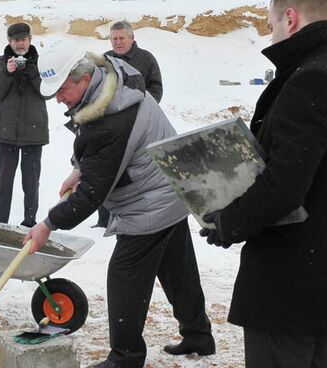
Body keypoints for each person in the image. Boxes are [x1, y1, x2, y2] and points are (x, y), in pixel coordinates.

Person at [25, 39, 214, 368]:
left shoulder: (111, 120)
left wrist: (47, 225)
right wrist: (79, 168)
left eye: (62, 89)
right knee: (177, 268)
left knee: (124, 275)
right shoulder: (112, 75)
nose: (57, 99)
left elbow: (92, 194)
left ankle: (125, 357)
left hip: (149, 203)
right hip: (169, 186)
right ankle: (198, 333)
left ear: (83, 79)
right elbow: (98, 146)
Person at [199, 0, 327, 366]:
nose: (272, 33)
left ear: (290, 17)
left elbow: (284, 184)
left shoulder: (312, 79)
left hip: (289, 282)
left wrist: (228, 221)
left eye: (271, 25)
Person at [93, 20, 164, 228]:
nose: (117, 42)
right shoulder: (105, 59)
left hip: (138, 127)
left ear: (132, 39)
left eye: (122, 38)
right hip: (110, 125)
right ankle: (104, 219)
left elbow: (156, 90)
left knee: (131, 171)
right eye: (114, 38)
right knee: (105, 169)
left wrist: (140, 111)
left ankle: (131, 215)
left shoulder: (146, 59)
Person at [0, 22, 49, 228]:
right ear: (9, 42)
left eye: (23, 39)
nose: (20, 44)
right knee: (3, 182)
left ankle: (30, 222)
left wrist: (31, 71)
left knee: (31, 183)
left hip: (33, 133)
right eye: (15, 40)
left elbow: (48, 91)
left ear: (30, 40)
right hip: (6, 133)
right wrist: (7, 72)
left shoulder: (43, 64)